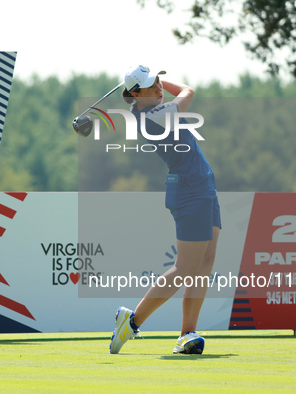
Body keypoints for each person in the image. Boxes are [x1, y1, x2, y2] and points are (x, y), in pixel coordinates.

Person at [109, 65, 221, 355]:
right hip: (189, 191)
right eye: (152, 85)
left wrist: (154, 79)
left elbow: (178, 93)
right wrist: (166, 81)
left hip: (202, 186)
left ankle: (188, 334)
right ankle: (132, 321)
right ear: (135, 94)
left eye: (159, 82)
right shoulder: (154, 115)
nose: (159, 88)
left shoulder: (151, 108)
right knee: (185, 268)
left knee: (205, 263)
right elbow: (189, 91)